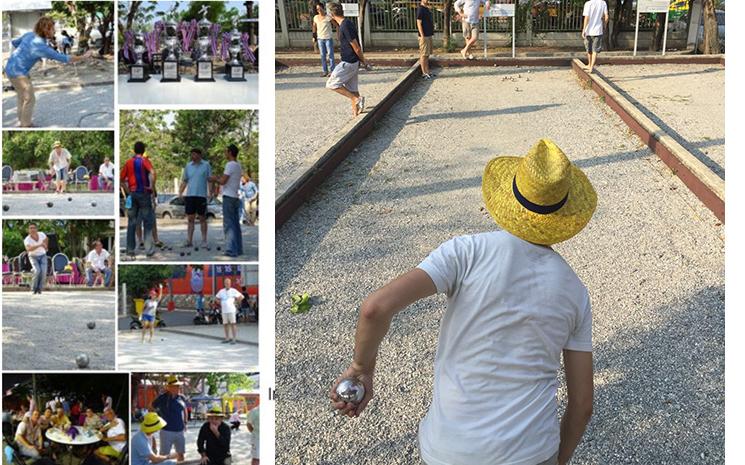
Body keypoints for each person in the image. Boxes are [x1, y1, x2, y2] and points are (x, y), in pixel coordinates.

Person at [330, 139, 597, 465]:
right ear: (563, 215)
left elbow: (375, 307)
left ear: (510, 199)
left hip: (449, 451)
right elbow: (582, 404)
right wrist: (559, 460)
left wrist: (361, 369)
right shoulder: (574, 291)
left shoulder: (466, 252)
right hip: (531, 452)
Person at [4, 16, 92, 127]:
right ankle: (25, 125)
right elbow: (65, 58)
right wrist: (83, 57)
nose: (54, 31)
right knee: (29, 98)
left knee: (22, 96)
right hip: (18, 73)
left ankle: (22, 121)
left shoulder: (29, 35)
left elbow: (15, 43)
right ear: (46, 31)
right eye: (52, 29)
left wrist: (24, 54)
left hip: (10, 68)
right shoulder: (42, 47)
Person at [326, 2, 369, 117]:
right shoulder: (346, 23)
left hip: (348, 62)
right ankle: (356, 114)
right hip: (353, 62)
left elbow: (356, 47)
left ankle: (357, 99)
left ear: (331, 14)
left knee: (331, 84)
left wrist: (364, 62)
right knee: (352, 89)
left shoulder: (345, 26)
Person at [121, 141, 156, 257]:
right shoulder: (145, 161)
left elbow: (121, 179)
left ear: (134, 150)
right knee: (147, 221)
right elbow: (153, 172)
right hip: (144, 193)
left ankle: (130, 250)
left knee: (131, 222)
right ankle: (148, 249)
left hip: (133, 194)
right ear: (143, 150)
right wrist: (151, 186)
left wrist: (128, 191)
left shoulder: (128, 162)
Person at [209, 144, 243, 257]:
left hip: (228, 197)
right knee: (235, 224)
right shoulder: (238, 165)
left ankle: (231, 250)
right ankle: (238, 249)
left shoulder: (230, 164)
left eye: (226, 151)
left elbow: (223, 181)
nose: (225, 154)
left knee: (228, 224)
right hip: (235, 196)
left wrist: (215, 179)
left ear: (230, 152)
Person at [179, 149, 212, 249]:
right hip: (190, 196)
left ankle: (204, 241)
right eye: (191, 154)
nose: (192, 156)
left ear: (199, 155)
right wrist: (180, 192)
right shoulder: (188, 166)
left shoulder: (206, 165)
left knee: (202, 218)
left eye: (194, 154)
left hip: (201, 196)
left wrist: (210, 192)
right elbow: (185, 181)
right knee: (190, 219)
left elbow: (210, 180)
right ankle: (189, 240)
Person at [151, 375, 188, 462]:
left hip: (180, 430)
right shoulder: (162, 397)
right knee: (164, 455)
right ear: (169, 387)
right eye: (175, 386)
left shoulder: (181, 397)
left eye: (178, 385)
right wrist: (157, 420)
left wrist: (185, 422)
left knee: (181, 454)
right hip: (166, 431)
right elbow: (151, 407)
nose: (178, 387)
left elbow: (185, 409)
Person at [582, 0, 609, 74]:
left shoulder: (588, 3)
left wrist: (584, 30)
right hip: (598, 30)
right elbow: (606, 17)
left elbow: (586, 17)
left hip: (588, 30)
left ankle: (589, 64)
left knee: (589, 49)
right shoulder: (603, 3)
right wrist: (604, 26)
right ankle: (591, 67)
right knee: (595, 50)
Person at [215, 278, 244, 345]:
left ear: (230, 284)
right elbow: (216, 298)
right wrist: (219, 302)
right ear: (224, 284)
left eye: (228, 283)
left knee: (233, 324)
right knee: (225, 324)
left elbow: (241, 297)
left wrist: (236, 302)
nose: (227, 284)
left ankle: (234, 339)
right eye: (226, 283)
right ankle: (227, 338)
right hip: (224, 311)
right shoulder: (221, 291)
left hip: (231, 310)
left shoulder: (233, 290)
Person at [23, 223, 48, 295]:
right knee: (37, 271)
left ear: (37, 229)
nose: (32, 229)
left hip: (43, 255)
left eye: (34, 228)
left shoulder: (41, 234)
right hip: (33, 256)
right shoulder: (27, 239)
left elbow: (46, 239)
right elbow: (29, 249)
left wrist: (46, 246)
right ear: (28, 230)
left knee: (43, 272)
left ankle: (39, 289)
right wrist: (40, 245)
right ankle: (33, 289)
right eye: (31, 228)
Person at [313, 3, 335, 77]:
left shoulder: (328, 17)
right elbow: (314, 27)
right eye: (317, 9)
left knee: (330, 55)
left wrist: (338, 34)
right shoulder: (316, 17)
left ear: (323, 8)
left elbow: (336, 25)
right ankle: (325, 71)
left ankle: (332, 71)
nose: (318, 10)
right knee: (322, 55)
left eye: (319, 8)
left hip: (328, 38)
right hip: (320, 38)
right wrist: (314, 36)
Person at [416, 0, 435, 79]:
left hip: (429, 34)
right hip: (424, 36)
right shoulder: (420, 9)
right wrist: (422, 36)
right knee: (423, 54)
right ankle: (424, 73)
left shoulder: (426, 8)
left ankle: (427, 72)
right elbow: (419, 23)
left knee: (427, 54)